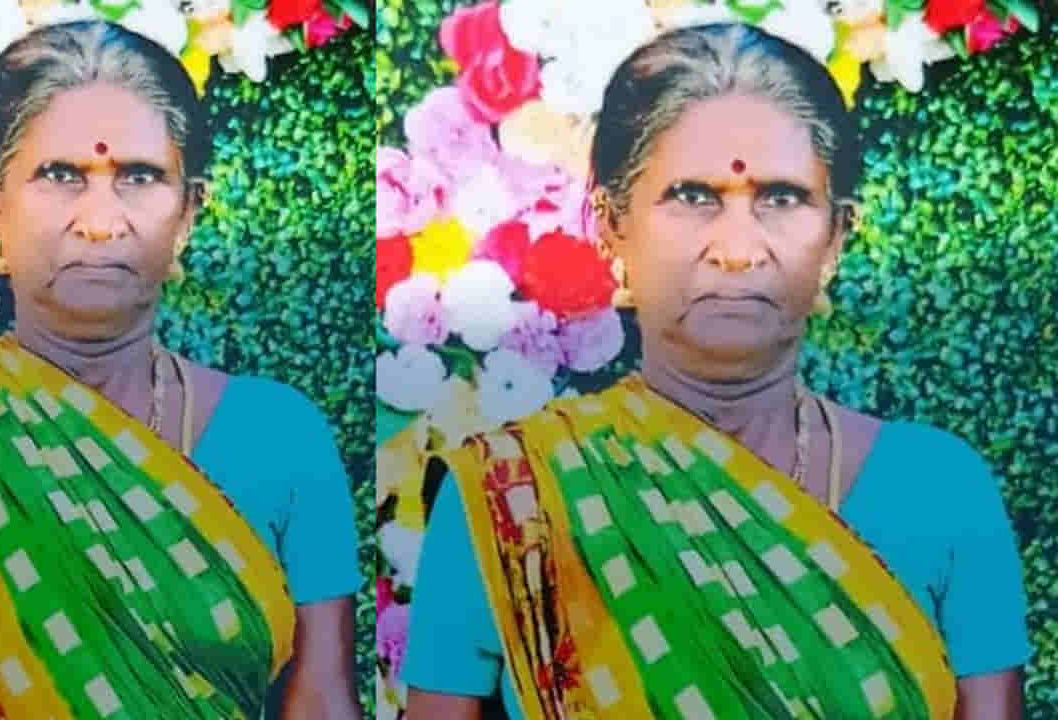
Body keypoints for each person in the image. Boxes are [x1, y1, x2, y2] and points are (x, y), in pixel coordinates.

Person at [402, 23, 1030, 720]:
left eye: (782, 198)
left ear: (836, 237)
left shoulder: (939, 489)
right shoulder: (514, 496)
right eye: (692, 196)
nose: (737, 249)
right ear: (610, 225)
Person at [0, 19, 362, 720]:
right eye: (60, 176)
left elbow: (321, 702)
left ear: (189, 211)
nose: (101, 221)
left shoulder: (280, 436)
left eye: (140, 177)